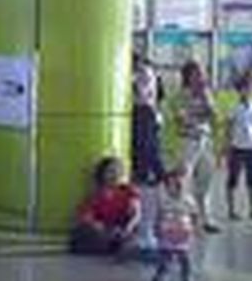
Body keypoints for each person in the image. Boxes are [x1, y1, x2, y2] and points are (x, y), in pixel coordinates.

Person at [171, 60, 220, 234]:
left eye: (202, 73)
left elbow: (214, 115)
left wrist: (205, 101)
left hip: (205, 140)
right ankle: (186, 218)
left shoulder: (206, 93)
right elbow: (181, 118)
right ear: (188, 76)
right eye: (197, 73)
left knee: (205, 179)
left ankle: (206, 218)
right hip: (187, 141)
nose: (201, 77)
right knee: (184, 180)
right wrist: (200, 114)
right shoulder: (179, 95)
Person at [69, 157, 140, 256]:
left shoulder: (128, 191)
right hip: (106, 232)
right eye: (111, 171)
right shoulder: (96, 196)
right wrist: (101, 227)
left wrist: (127, 229)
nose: (115, 175)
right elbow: (86, 216)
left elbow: (136, 214)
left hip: (126, 229)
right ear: (102, 174)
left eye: (118, 171)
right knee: (82, 233)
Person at [131, 56, 164, 258]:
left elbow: (142, 93)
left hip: (144, 111)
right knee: (146, 149)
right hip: (146, 112)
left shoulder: (143, 72)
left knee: (145, 149)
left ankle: (150, 175)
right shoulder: (148, 71)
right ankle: (151, 174)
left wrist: (132, 81)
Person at [225, 74, 252, 221]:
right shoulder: (233, 108)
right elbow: (228, 129)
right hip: (236, 147)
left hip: (251, 147)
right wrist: (226, 148)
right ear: (239, 91)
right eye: (244, 89)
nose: (248, 92)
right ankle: (231, 210)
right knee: (232, 179)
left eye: (250, 89)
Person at [151, 167, 196, 281]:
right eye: (171, 185)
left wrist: (195, 228)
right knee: (164, 257)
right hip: (167, 233)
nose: (175, 188)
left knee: (184, 257)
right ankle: (159, 275)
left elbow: (194, 215)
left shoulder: (188, 200)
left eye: (178, 184)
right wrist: (156, 228)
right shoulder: (164, 201)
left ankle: (186, 277)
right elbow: (159, 215)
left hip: (183, 233)